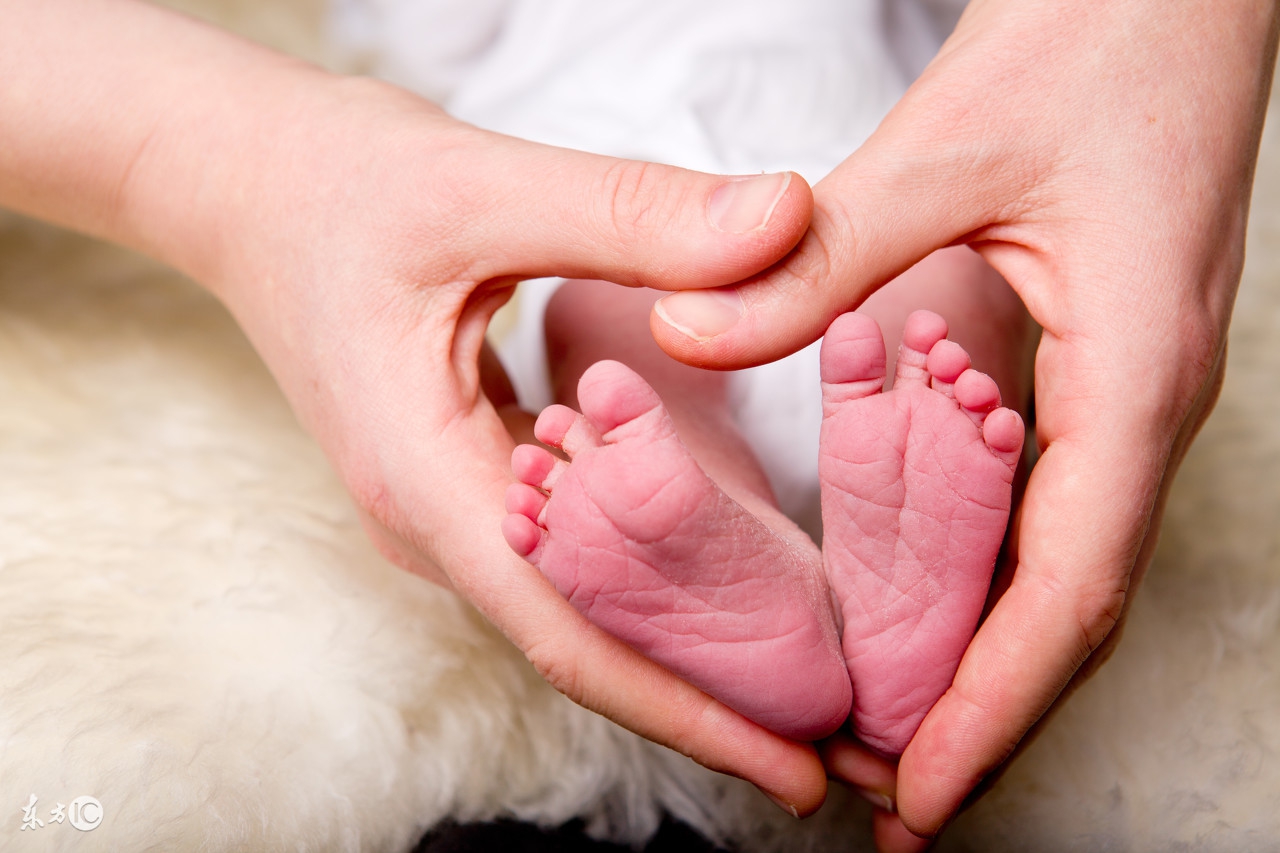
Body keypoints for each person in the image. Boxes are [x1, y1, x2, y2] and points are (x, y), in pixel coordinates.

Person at [3, 1, 1274, 851]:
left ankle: (725, 514)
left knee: (634, 330)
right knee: (918, 287)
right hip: (833, 137)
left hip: (886, 125)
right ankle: (780, 530)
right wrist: (219, 162)